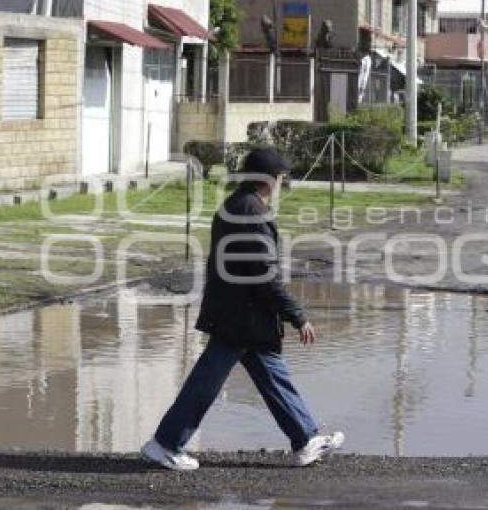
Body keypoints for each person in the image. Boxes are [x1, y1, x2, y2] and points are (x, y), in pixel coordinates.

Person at [141, 148, 345, 472]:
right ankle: (166, 444)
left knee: (273, 375)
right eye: (280, 178)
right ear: (269, 180)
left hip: (238, 313)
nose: (281, 184)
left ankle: (305, 440)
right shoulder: (252, 214)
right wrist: (297, 314)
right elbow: (264, 275)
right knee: (205, 384)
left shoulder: (236, 205)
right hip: (240, 317)